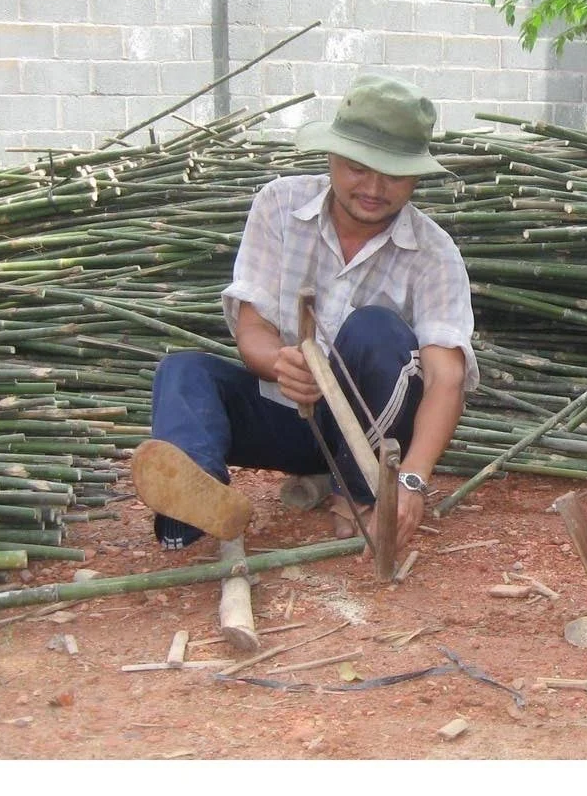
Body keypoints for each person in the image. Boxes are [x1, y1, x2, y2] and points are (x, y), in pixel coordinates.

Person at [136, 73, 476, 558]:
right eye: (359, 167)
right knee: (184, 371)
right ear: (332, 156)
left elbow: (445, 378)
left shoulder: (434, 253)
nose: (374, 188)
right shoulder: (279, 205)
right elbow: (253, 326)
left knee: (377, 330)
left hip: (370, 435)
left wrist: (414, 480)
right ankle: (195, 501)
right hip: (287, 418)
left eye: (394, 174)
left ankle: (357, 491)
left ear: (416, 177)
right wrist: (280, 363)